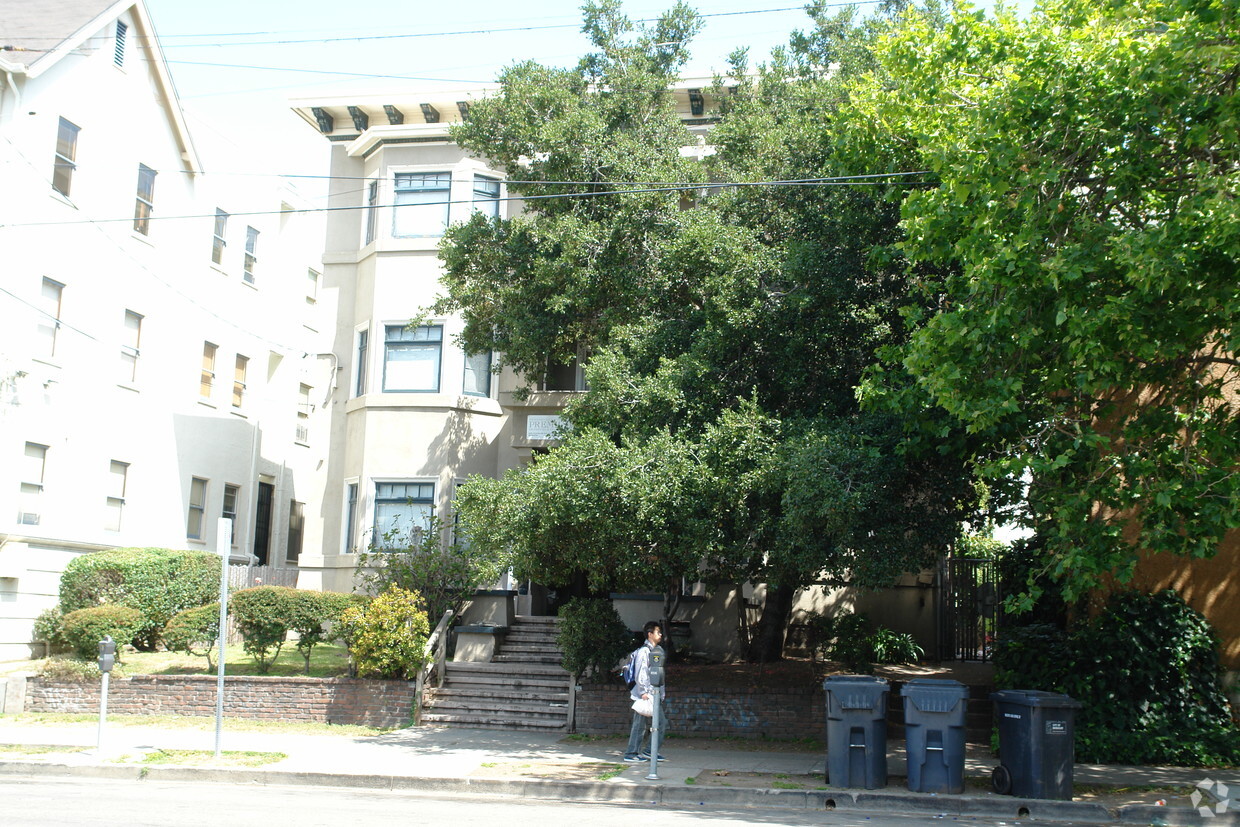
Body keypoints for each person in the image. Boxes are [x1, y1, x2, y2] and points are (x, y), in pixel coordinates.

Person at [623, 620, 667, 762]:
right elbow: (641, 673)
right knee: (639, 724)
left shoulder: (655, 651)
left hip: (653, 694)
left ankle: (650, 751)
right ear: (650, 634)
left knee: (660, 723)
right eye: (658, 632)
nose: (660, 635)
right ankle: (631, 753)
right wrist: (643, 692)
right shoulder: (644, 652)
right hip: (645, 695)